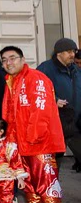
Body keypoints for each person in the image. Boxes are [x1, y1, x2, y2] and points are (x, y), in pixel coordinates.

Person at [0, 46, 65, 203]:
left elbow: (41, 113)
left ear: (22, 59)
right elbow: (10, 116)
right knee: (28, 180)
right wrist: (12, 141)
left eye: (12, 58)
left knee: (46, 180)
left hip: (39, 143)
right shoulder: (12, 81)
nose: (8, 63)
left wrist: (31, 139)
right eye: (4, 60)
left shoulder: (36, 79)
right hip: (22, 143)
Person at [36, 37, 81, 169]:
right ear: (59, 53)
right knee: (54, 163)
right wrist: (54, 100)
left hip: (76, 122)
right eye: (68, 52)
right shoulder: (45, 69)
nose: (72, 54)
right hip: (57, 123)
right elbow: (36, 91)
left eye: (73, 51)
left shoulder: (76, 70)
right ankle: (52, 188)